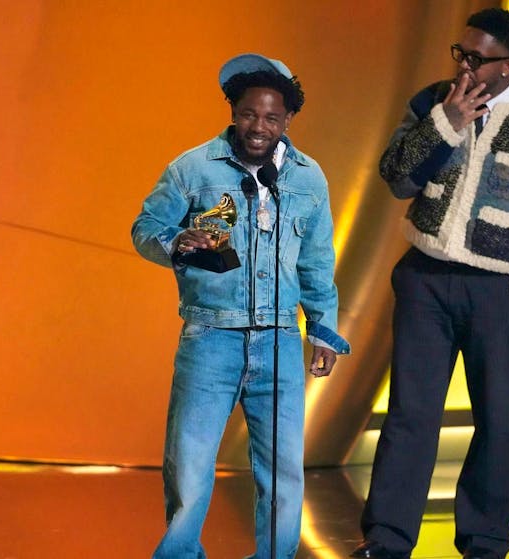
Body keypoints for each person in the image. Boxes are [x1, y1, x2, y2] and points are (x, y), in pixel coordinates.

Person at [351, 8, 509, 559]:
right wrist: (446, 123)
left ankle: (484, 542)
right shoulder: (432, 101)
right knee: (410, 415)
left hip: (497, 293)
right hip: (426, 282)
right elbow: (397, 178)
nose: (465, 66)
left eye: (479, 59)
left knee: (497, 421)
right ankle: (386, 541)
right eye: (461, 54)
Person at [132, 53, 350, 559]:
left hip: (278, 340)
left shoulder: (307, 177)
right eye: (250, 114)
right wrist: (177, 241)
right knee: (189, 461)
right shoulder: (193, 168)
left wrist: (323, 330)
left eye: (272, 118)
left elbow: (317, 262)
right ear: (234, 111)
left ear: (288, 120)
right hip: (211, 337)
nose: (259, 127)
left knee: (282, 468)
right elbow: (145, 228)